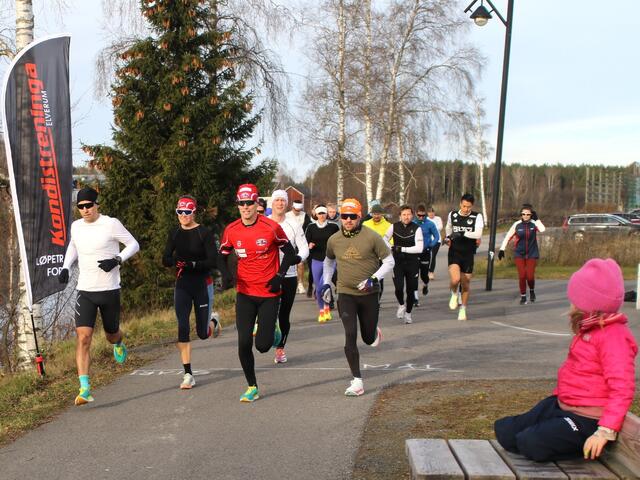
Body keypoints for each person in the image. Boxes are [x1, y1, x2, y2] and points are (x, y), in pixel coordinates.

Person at [494, 258, 637, 462]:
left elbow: (622, 387)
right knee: (506, 432)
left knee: (530, 443)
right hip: (563, 405)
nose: (571, 303)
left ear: (588, 303)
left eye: (575, 299)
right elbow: (574, 372)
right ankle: (547, 428)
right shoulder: (589, 328)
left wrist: (604, 431)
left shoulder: (614, 336)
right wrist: (557, 398)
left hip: (587, 419)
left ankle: (578, 449)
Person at [59, 186, 140, 405]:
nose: (85, 210)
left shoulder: (110, 224)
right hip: (85, 290)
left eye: (88, 205)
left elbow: (134, 244)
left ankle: (119, 342)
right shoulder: (76, 226)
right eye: (81, 207)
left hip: (109, 290)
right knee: (84, 337)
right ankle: (84, 388)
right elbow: (73, 246)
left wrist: (117, 259)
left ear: (97, 205)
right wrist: (66, 267)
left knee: (111, 334)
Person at [219, 184, 298, 402]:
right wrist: (226, 275)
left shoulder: (270, 227)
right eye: (241, 203)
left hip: (269, 294)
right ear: (238, 205)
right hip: (244, 293)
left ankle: (274, 332)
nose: (245, 207)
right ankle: (252, 385)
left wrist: (280, 276)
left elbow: (290, 253)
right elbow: (222, 255)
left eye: (249, 203)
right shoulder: (232, 230)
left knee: (262, 346)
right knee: (244, 342)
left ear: (256, 204)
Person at [321, 198, 394, 396]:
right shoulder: (334, 239)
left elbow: (389, 261)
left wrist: (374, 278)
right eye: (344, 216)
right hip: (346, 293)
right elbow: (328, 262)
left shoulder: (372, 237)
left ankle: (373, 333)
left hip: (369, 293)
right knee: (350, 334)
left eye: (352, 216)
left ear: (360, 216)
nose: (348, 220)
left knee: (367, 337)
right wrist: (326, 282)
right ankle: (357, 381)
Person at [162, 195, 218, 389]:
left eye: (187, 212)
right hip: (183, 285)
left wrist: (192, 264)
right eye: (180, 212)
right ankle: (188, 374)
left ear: (194, 212)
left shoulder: (204, 233)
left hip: (202, 284)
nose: (184, 216)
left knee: (202, 333)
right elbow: (165, 258)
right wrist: (174, 260)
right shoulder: (175, 233)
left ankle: (213, 321)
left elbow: (213, 261)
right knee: (182, 326)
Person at [268, 189, 309, 363]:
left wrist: (298, 258)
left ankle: (280, 349)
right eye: (277, 200)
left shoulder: (293, 224)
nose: (280, 203)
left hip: (289, 276)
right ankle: (262, 328)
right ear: (272, 203)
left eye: (283, 201)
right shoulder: (264, 223)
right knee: (268, 312)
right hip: (268, 275)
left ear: (287, 204)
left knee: (284, 315)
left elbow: (304, 247)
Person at [445, 193, 484, 321]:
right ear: (460, 204)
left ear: (472, 206)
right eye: (464, 206)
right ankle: (454, 293)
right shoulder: (453, 215)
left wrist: (463, 232)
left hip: (468, 253)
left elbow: (477, 233)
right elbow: (449, 228)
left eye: (469, 207)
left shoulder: (477, 216)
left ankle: (463, 309)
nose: (466, 209)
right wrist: (448, 237)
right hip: (455, 252)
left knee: (465, 283)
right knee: (455, 279)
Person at [383, 205, 423, 324]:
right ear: (400, 216)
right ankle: (401, 304)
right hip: (398, 262)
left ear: (412, 215)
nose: (406, 217)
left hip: (412, 263)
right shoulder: (393, 226)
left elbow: (419, 248)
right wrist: (390, 247)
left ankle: (408, 313)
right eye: (404, 215)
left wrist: (401, 249)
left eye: (409, 214)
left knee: (411, 290)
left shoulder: (417, 228)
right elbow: (384, 239)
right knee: (399, 287)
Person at [498, 205, 546, 305]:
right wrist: (502, 249)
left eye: (528, 214)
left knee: (530, 276)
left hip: (532, 253)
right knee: (522, 275)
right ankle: (523, 296)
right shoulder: (517, 225)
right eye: (523, 214)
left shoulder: (534, 224)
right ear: (521, 214)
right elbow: (508, 237)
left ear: (531, 215)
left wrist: (537, 220)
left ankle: (532, 290)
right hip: (519, 253)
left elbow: (542, 229)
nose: (525, 216)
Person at [305, 204, 340, 322]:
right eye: (319, 213)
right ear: (316, 214)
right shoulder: (311, 227)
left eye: (324, 213)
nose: (322, 215)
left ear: (327, 214)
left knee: (325, 284)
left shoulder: (333, 227)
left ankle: (326, 309)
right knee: (319, 287)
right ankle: (322, 309)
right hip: (316, 259)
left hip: (329, 260)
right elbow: (306, 241)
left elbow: (339, 240)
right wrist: (309, 245)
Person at [413, 204, 440, 303]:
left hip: (425, 252)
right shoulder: (412, 223)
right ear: (416, 214)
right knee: (414, 274)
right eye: (419, 215)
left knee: (424, 275)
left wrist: (431, 245)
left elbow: (437, 236)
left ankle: (425, 284)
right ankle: (415, 297)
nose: (421, 217)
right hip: (415, 252)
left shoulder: (430, 224)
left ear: (425, 215)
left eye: (423, 215)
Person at [285, 199, 312, 294]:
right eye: (296, 210)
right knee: (288, 264)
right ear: (292, 207)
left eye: (299, 210)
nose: (298, 212)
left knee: (300, 263)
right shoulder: (287, 215)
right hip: (289, 242)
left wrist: (308, 242)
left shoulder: (305, 216)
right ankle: (288, 283)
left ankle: (300, 283)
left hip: (300, 242)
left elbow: (309, 229)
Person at [426, 207, 443, 279]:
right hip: (427, 240)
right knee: (427, 256)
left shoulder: (438, 218)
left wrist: (431, 228)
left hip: (437, 240)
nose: (431, 214)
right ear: (427, 213)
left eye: (432, 213)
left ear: (434, 213)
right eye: (429, 213)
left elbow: (440, 227)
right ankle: (426, 271)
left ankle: (431, 272)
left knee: (433, 256)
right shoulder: (425, 219)